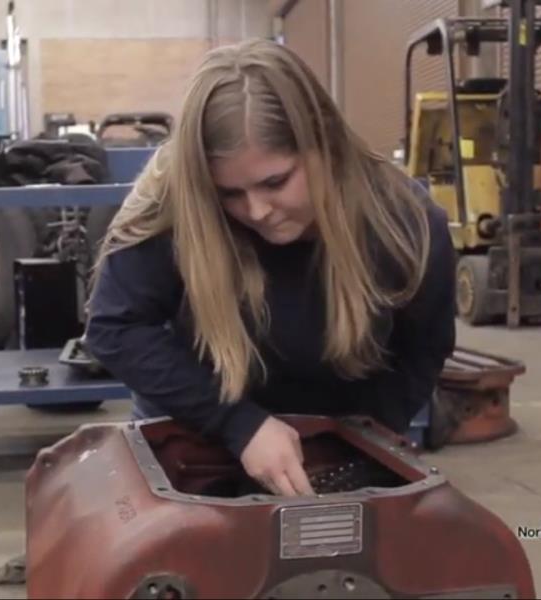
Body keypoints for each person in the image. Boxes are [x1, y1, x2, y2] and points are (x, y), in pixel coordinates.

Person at [84, 39, 456, 498]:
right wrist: (237, 424)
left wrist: (364, 443)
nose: (256, 211)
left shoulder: (407, 225)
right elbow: (114, 327)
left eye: (275, 182)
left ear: (325, 145)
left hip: (340, 440)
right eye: (229, 194)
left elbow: (425, 346)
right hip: (197, 434)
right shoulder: (173, 202)